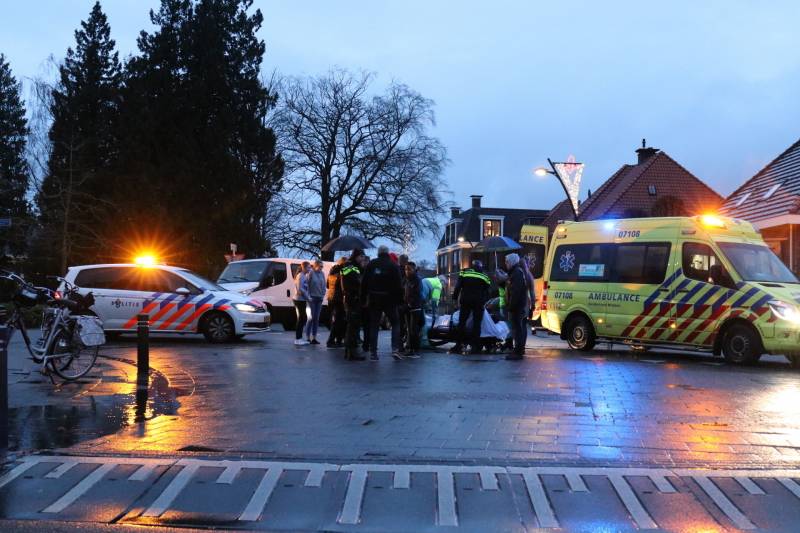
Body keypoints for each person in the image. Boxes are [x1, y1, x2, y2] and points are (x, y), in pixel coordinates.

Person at [362, 245, 403, 360]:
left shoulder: (371, 264)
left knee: (374, 325)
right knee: (395, 323)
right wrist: (400, 300)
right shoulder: (393, 265)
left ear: (378, 253)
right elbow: (399, 285)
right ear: (387, 253)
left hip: (374, 299)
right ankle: (395, 349)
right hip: (390, 300)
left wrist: (363, 298)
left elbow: (364, 282)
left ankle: (373, 353)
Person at [451, 260, 491, 354]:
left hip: (465, 301)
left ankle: (459, 345)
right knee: (477, 324)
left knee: (462, 322)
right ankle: (475, 347)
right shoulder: (484, 276)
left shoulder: (464, 272)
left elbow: (457, 287)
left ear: (472, 265)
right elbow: (488, 290)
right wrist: (485, 301)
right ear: (480, 267)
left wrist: (454, 299)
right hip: (478, 302)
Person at [341, 249, 366, 360]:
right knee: (353, 326)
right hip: (353, 299)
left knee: (352, 326)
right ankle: (352, 352)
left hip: (351, 299)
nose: (362, 259)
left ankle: (349, 351)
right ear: (356, 256)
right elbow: (357, 281)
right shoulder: (350, 267)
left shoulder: (351, 266)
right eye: (361, 256)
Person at [505, 253, 529, 360]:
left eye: (507, 262)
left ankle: (518, 351)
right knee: (517, 328)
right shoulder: (516, 272)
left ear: (512, 262)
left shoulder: (516, 273)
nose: (506, 264)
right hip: (518, 306)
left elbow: (516, 292)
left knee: (517, 329)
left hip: (517, 307)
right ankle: (518, 350)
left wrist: (511, 306)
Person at [403, 261, 423, 358]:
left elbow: (416, 293)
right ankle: (411, 349)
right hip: (408, 307)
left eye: (409, 269)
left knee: (413, 329)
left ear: (414, 269)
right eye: (406, 269)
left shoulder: (417, 279)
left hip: (415, 307)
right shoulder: (407, 280)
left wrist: (410, 302)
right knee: (409, 329)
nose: (407, 271)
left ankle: (415, 350)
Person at [326, 257, 347, 348]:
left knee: (336, 320)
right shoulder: (342, 273)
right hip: (339, 299)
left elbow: (327, 285)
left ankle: (337, 340)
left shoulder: (331, 272)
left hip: (331, 298)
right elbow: (343, 287)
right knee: (339, 320)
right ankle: (332, 340)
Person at [304, 260, 326, 344]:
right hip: (312, 298)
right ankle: (307, 337)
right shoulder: (310, 273)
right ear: (315, 266)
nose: (321, 268)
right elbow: (307, 285)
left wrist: (323, 293)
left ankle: (314, 337)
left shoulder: (322, 274)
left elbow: (323, 284)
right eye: (320, 266)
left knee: (316, 318)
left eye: (322, 266)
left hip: (319, 298)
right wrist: (308, 296)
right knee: (310, 318)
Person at [293, 261, 311, 346]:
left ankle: (299, 338)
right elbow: (300, 289)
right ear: (304, 267)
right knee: (302, 318)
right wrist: (308, 297)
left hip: (302, 299)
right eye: (308, 267)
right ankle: (298, 339)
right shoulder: (300, 276)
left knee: (303, 318)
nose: (310, 269)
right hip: (299, 299)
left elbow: (305, 287)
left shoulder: (304, 275)